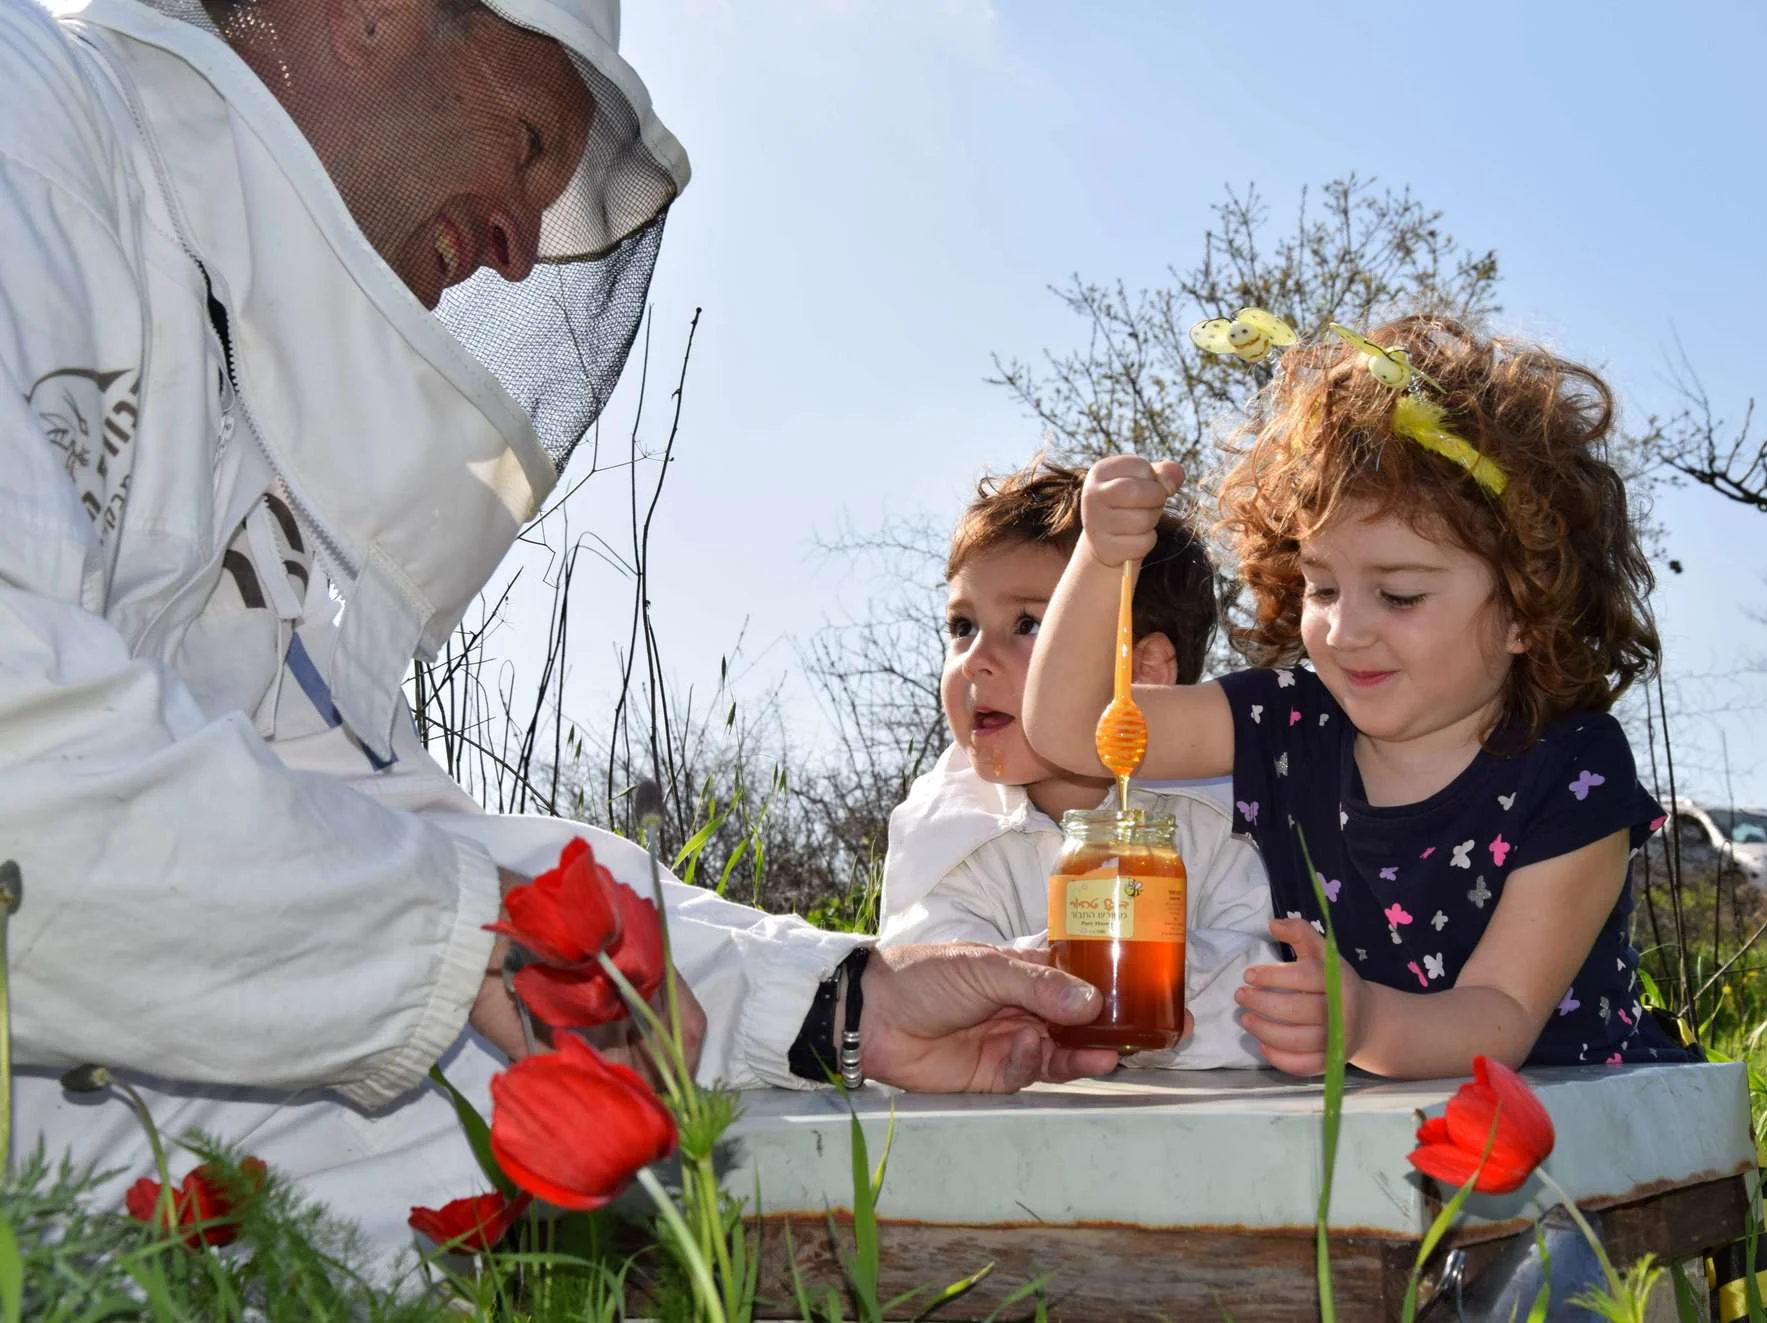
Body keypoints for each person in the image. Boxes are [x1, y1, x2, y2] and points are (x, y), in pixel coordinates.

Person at [0, 0, 1115, 1257]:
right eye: (529, 143)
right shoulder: (28, 120)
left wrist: (836, 1002)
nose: (521, 250)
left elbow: (370, 832)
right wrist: (451, 936)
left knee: (574, 1127)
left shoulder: (233, 411)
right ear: (369, 14)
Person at [1026, 315, 1696, 1079]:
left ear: (1523, 608)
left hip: (1585, 1133)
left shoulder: (1572, 769)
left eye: (1400, 595)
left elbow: (1501, 1013)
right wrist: (1100, 556)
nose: (1344, 631)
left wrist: (1366, 1019)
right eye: (1322, 587)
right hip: (1373, 1140)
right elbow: (1071, 730)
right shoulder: (1286, 726)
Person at [878, 458, 1272, 1067]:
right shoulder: (947, 821)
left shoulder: (1219, 815)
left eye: (1029, 623)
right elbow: (923, 976)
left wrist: (1120, 977)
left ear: (1145, 673)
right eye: (962, 625)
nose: (974, 660)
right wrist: (1096, 970)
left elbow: (1270, 987)